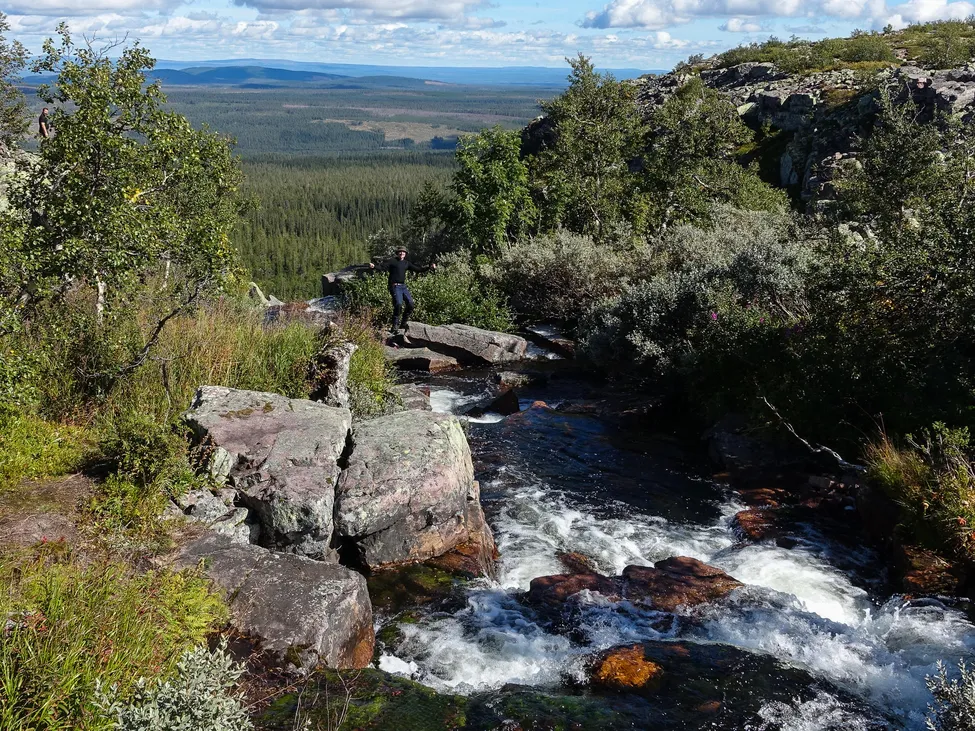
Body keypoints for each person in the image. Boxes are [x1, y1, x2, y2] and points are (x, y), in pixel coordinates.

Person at [369, 247, 436, 342]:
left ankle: (403, 323)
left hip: (403, 287)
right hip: (394, 286)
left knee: (410, 304)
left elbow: (418, 269)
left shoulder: (406, 263)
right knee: (398, 304)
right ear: (397, 253)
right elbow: (383, 267)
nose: (401, 253)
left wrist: (429, 267)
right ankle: (395, 326)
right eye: (400, 252)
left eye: (403, 252)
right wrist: (374, 266)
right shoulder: (393, 261)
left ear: (405, 254)